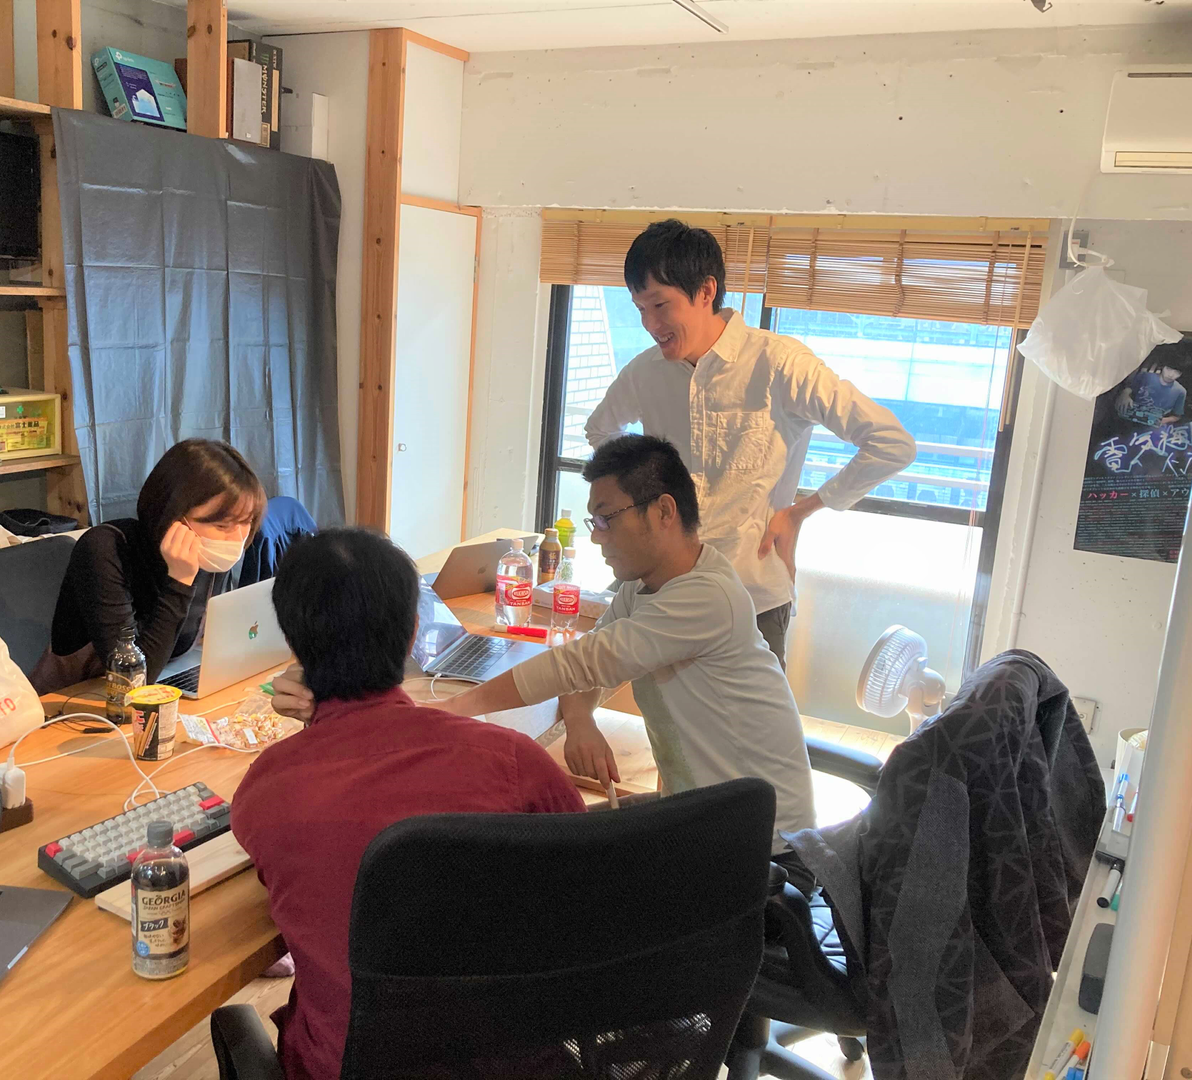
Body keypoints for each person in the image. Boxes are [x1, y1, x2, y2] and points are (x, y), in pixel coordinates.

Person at [272, 436, 816, 877]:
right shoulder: (647, 584)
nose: (597, 537)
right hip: (709, 814)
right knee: (558, 836)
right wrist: (579, 720)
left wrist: (451, 711)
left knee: (542, 853)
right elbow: (592, 656)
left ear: (664, 511)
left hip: (764, 850)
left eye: (606, 518)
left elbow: (580, 663)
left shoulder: (705, 597)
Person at [231, 528, 585, 1080]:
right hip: (516, 1066)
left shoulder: (267, 790)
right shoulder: (515, 763)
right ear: (414, 632)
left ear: (295, 650)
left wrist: (321, 723)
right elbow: (587, 891)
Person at [583, 219, 916, 664]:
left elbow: (891, 443)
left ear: (706, 291)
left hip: (752, 595)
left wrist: (799, 513)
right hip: (663, 589)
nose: (650, 324)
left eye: (660, 305)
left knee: (753, 712)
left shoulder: (780, 364)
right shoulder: (645, 372)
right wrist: (641, 509)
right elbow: (600, 430)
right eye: (640, 309)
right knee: (648, 707)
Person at [31, 439, 266, 693]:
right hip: (81, 698)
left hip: (165, 681)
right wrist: (180, 583)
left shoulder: (211, 556)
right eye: (221, 526)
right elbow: (134, 679)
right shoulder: (105, 549)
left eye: (246, 522)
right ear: (173, 515)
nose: (237, 538)